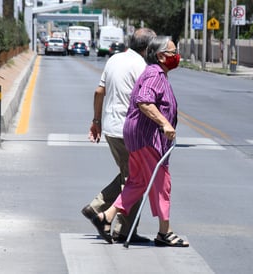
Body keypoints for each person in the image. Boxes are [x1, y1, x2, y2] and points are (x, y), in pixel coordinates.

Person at [92, 36, 189, 247]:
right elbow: (144, 100)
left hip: (137, 137)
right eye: (174, 52)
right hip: (147, 139)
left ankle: (106, 217)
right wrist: (164, 123)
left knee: (137, 182)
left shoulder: (154, 73)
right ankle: (165, 232)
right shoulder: (155, 75)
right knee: (163, 184)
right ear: (162, 56)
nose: (177, 56)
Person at [82, 28, 156, 243]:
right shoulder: (142, 66)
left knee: (130, 174)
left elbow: (99, 92)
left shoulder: (115, 59)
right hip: (130, 130)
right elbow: (146, 102)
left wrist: (96, 121)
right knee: (136, 180)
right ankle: (122, 231)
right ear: (148, 47)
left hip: (111, 128)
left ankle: (96, 207)